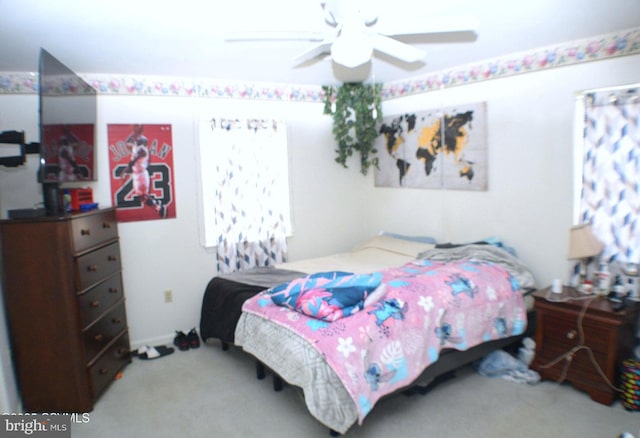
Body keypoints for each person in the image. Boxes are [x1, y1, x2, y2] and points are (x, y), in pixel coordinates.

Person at [120, 125, 166, 218]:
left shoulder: (143, 150)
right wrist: (134, 133)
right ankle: (157, 205)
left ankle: (159, 207)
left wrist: (127, 168)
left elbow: (139, 156)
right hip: (138, 174)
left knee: (143, 196)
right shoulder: (136, 148)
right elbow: (127, 143)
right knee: (142, 197)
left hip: (141, 175)